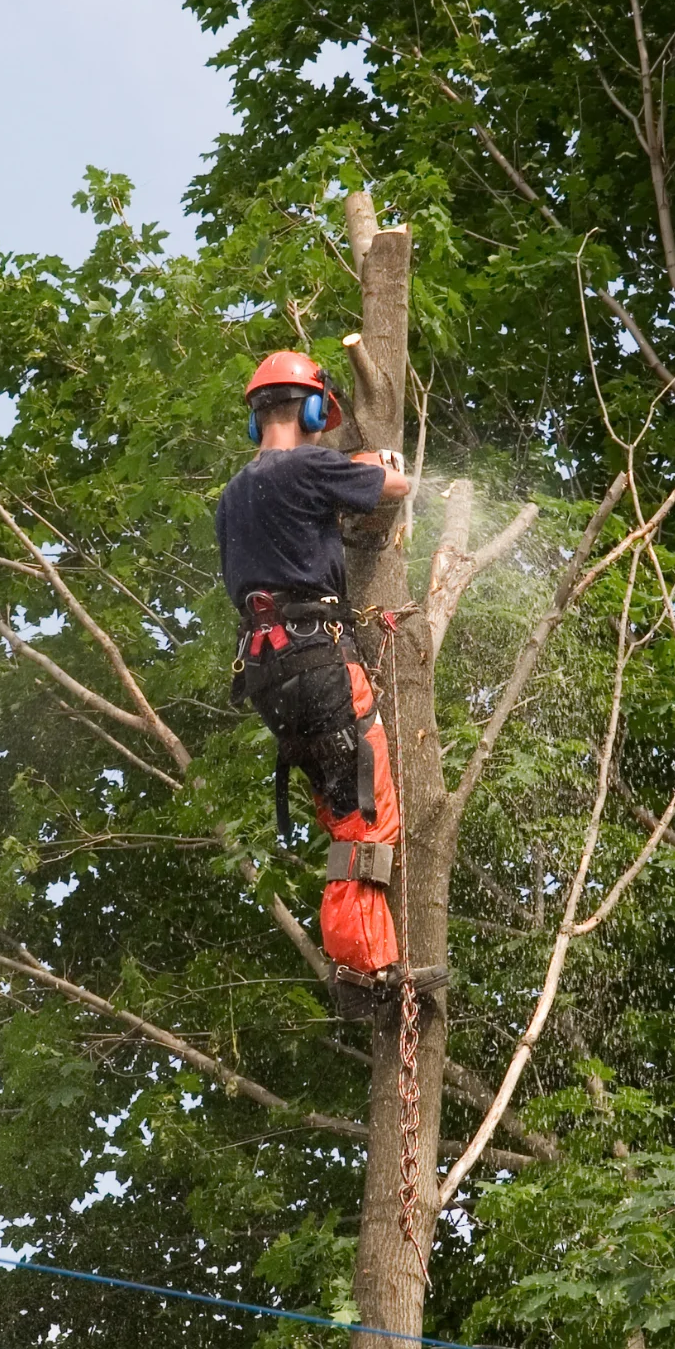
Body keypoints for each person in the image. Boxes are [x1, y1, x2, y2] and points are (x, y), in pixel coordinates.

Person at [217, 350, 412, 981]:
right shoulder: (308, 465)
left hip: (266, 675)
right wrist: (375, 465)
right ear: (309, 410)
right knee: (368, 808)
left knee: (339, 808)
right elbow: (394, 487)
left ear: (255, 417)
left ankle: (354, 957)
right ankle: (367, 971)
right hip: (319, 654)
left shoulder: (231, 495)